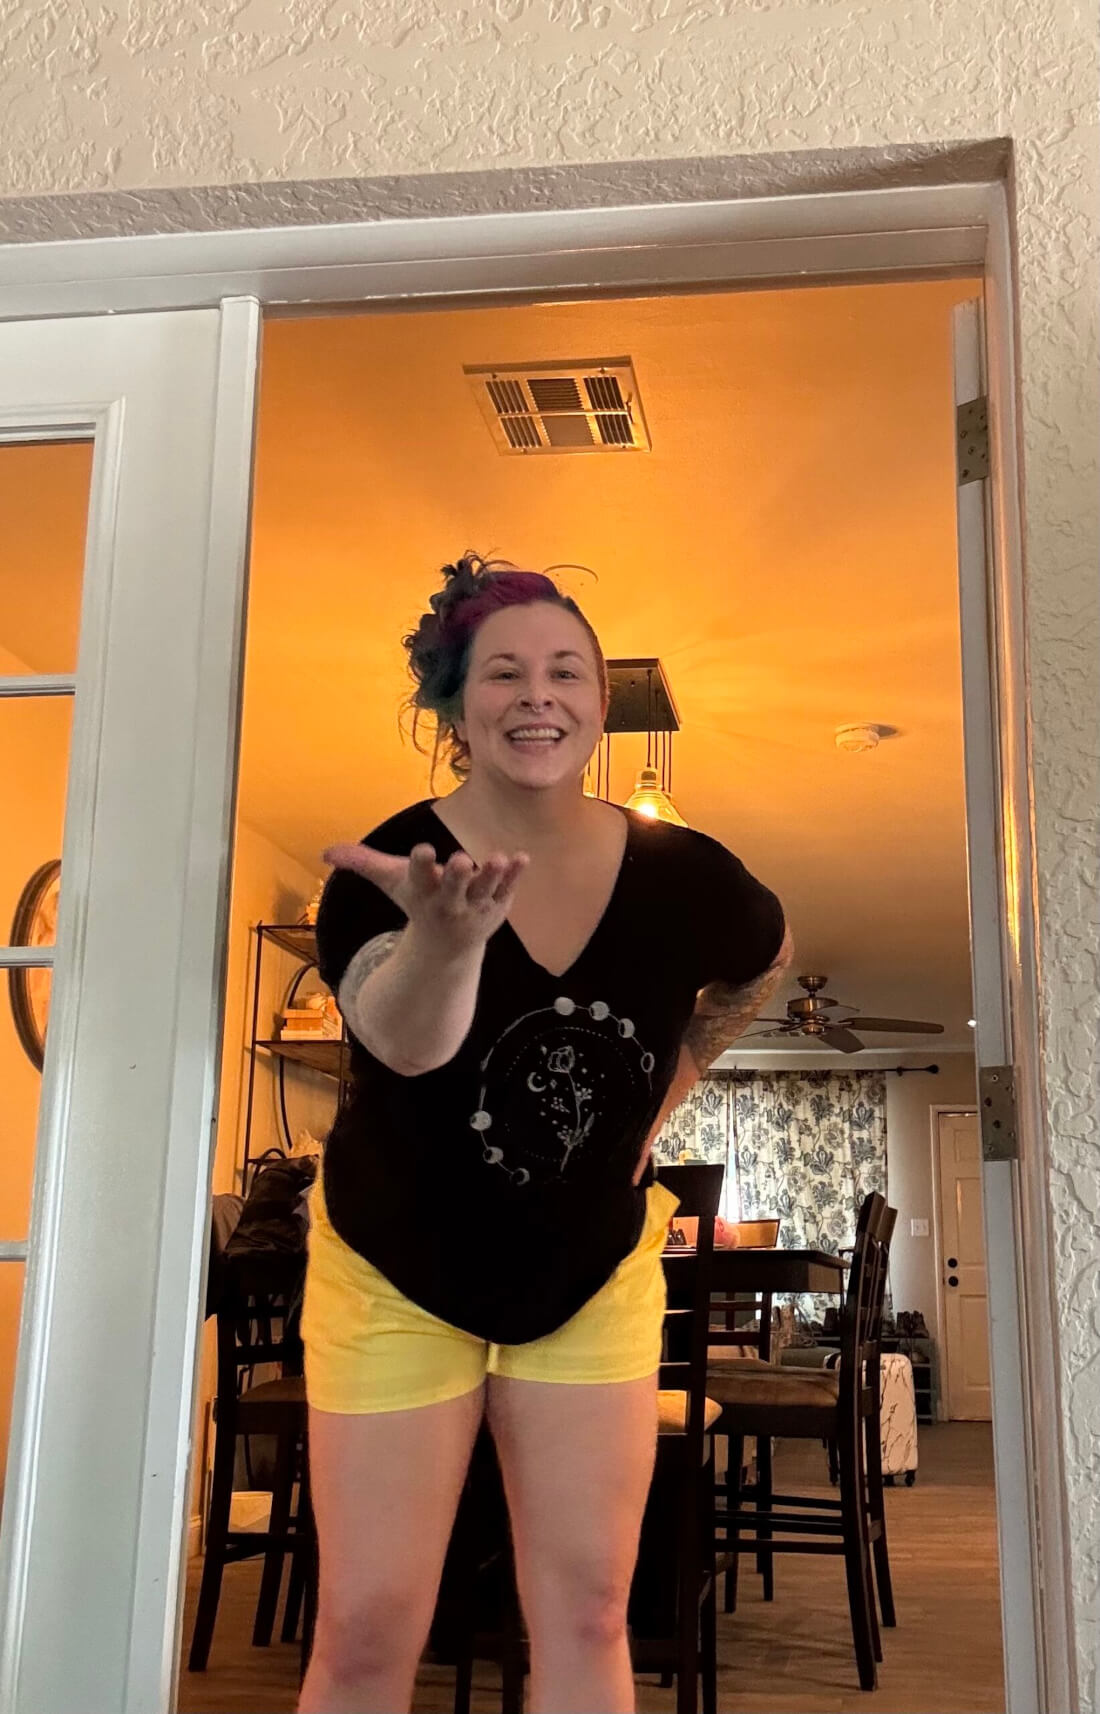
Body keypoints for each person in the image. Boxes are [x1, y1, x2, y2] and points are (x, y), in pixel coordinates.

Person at [299, 554, 793, 1714]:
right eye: (504, 672)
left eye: (565, 670)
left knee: (584, 1610)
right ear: (454, 705)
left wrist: (670, 1084)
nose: (539, 695)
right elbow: (398, 1041)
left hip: (589, 1271)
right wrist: (445, 941)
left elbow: (760, 963)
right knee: (369, 1628)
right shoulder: (395, 872)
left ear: (599, 698)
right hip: (395, 1272)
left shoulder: (684, 872)